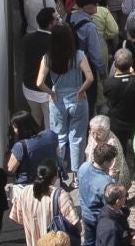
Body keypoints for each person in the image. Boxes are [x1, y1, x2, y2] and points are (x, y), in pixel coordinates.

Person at [37, 22, 95, 174]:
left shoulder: (47, 58)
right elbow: (90, 78)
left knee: (59, 137)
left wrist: (51, 93)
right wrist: (81, 91)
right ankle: (76, 174)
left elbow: (39, 83)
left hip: (57, 99)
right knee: (77, 138)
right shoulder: (79, 55)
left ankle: (57, 172)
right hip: (78, 98)